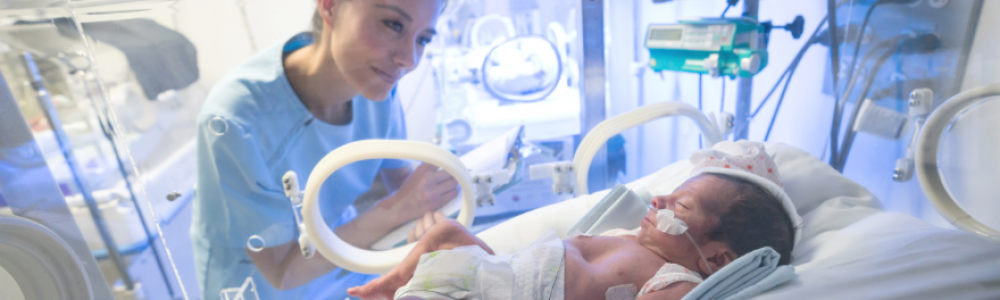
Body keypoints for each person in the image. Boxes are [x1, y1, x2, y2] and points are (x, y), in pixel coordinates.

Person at [191, 0, 451, 299]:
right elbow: (282, 272)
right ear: (330, 7)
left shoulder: (377, 81)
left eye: (423, 39)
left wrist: (435, 202)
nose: (409, 59)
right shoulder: (235, 121)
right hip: (263, 286)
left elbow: (402, 182)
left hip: (341, 258)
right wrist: (399, 208)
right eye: (393, 24)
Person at [348, 143, 798, 300]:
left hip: (505, 295)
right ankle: (388, 285)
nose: (659, 198)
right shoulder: (629, 237)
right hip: (493, 272)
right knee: (444, 232)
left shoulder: (674, 280)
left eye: (680, 208)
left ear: (718, 258)